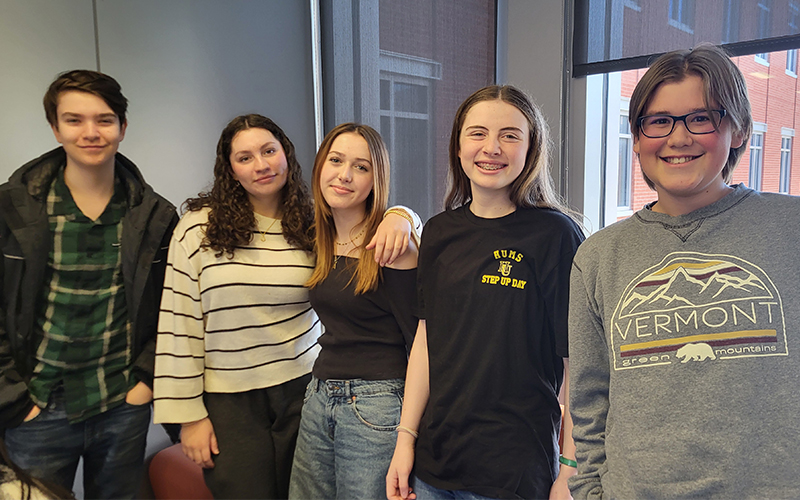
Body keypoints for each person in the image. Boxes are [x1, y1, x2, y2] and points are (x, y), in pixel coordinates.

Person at [568, 44, 800, 499]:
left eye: (700, 118)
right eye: (658, 121)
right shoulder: (597, 256)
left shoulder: (790, 229)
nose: (678, 138)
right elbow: (589, 399)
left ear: (738, 131)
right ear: (636, 138)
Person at [153, 114, 418, 499]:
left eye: (269, 151)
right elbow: (179, 322)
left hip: (304, 388)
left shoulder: (311, 224)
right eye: (244, 157)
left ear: (287, 156)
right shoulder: (198, 227)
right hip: (234, 399)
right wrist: (188, 417)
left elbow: (383, 245)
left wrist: (404, 215)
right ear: (229, 169)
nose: (260, 165)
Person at [386, 85, 584, 500]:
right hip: (435, 464)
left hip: (513, 471)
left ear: (531, 150)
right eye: (477, 134)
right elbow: (426, 342)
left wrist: (569, 468)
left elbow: (577, 363)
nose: (491, 148)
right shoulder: (439, 232)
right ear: (458, 147)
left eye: (510, 135)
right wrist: (405, 440)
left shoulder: (556, 235)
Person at [0, 70, 178, 499]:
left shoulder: (154, 214)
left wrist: (146, 381)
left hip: (121, 402)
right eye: (75, 120)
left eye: (104, 119)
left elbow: (172, 307)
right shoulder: (10, 208)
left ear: (122, 127)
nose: (91, 132)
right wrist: (12, 394)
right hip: (37, 405)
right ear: (55, 127)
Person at [288, 123, 418, 499]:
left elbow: (422, 338)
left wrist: (403, 216)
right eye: (336, 160)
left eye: (361, 167)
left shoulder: (392, 243)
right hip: (318, 394)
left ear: (375, 180)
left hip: (377, 404)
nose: (344, 175)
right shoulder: (319, 237)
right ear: (319, 167)